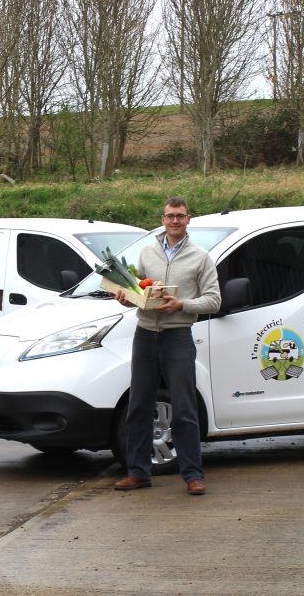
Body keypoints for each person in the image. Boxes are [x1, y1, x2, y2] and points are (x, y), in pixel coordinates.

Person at [113, 197, 221, 496]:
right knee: (139, 405)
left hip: (178, 336)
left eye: (181, 216)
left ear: (189, 219)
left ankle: (192, 475)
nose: (175, 221)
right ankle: (138, 472)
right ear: (162, 219)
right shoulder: (147, 252)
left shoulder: (201, 257)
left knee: (184, 408)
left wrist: (182, 304)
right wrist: (125, 295)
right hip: (145, 333)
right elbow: (137, 287)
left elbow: (214, 300)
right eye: (170, 216)